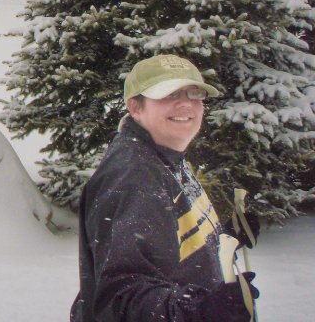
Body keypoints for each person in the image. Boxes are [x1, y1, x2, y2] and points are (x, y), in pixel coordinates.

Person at [70, 54, 259, 322]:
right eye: (169, 94)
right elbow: (119, 299)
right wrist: (200, 311)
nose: (185, 103)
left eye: (194, 92)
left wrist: (226, 237)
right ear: (135, 107)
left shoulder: (164, 154)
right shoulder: (134, 179)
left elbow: (172, 244)